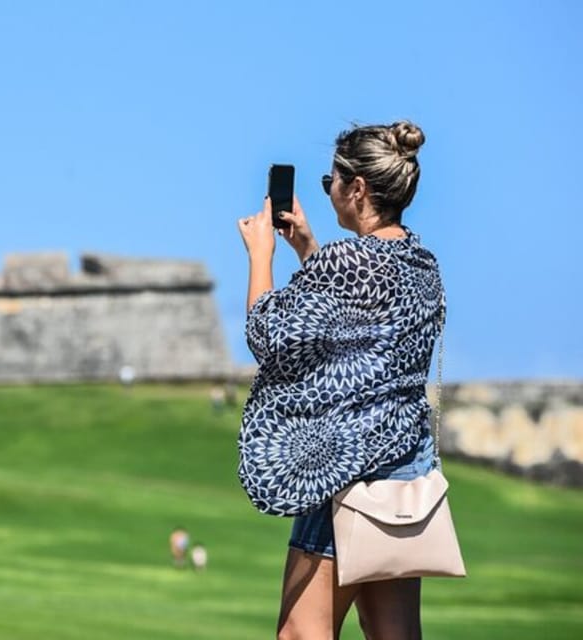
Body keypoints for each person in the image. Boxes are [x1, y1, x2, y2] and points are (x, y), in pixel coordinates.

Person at [237, 121, 443, 639]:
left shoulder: (348, 262)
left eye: (331, 180)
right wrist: (308, 248)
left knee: (300, 635)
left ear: (357, 189)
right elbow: (359, 333)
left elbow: (267, 333)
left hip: (344, 476)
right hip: (403, 480)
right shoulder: (422, 265)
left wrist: (261, 254)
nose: (326, 191)